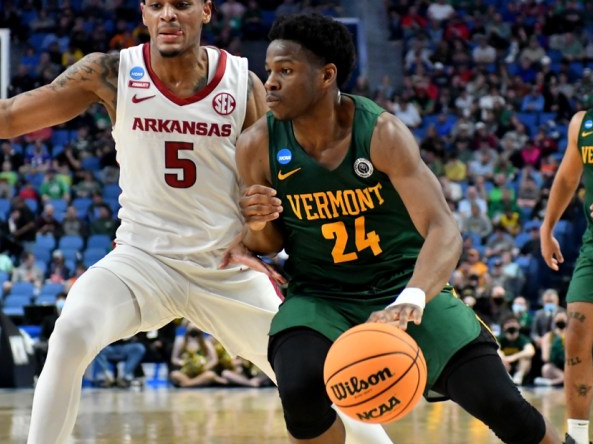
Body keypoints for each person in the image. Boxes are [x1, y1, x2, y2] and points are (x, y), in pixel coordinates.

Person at [0, 2, 390, 443]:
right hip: (141, 261)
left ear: (205, 9)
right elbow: (7, 118)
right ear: (143, 11)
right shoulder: (110, 72)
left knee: (323, 377)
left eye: (181, 3)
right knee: (70, 332)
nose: (168, 14)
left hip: (224, 265)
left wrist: (271, 244)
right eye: (156, 4)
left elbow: (277, 185)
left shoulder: (244, 83)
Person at [224, 13, 560, 444]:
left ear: (326, 75)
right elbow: (267, 246)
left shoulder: (381, 133)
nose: (269, 82)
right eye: (269, 71)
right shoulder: (257, 145)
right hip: (320, 294)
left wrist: (413, 297)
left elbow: (443, 229)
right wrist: (257, 221)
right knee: (299, 390)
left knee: (506, 409)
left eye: (285, 71)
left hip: (402, 283)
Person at [540, 46, 593, 444]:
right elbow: (568, 179)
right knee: (574, 333)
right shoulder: (582, 124)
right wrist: (546, 226)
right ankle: (577, 436)